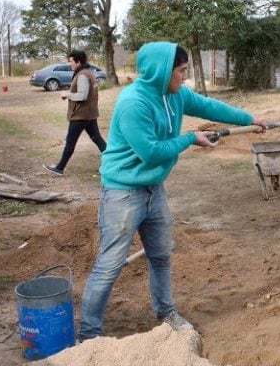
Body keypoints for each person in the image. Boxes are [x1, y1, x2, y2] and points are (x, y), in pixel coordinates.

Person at [77, 41, 267, 341]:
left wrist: (250, 119)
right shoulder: (134, 103)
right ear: (162, 71)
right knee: (109, 265)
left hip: (154, 189)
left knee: (161, 256)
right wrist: (191, 138)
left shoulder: (175, 94)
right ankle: (88, 336)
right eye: (181, 71)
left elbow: (208, 105)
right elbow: (151, 153)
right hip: (123, 194)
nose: (184, 77)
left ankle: (166, 314)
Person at [43, 50, 107, 175]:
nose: (70, 64)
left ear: (78, 62)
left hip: (81, 115)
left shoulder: (83, 75)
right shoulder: (89, 72)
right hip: (89, 114)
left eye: (72, 61)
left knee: (71, 142)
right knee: (97, 139)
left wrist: (67, 94)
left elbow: (82, 96)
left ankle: (59, 168)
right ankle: (114, 162)